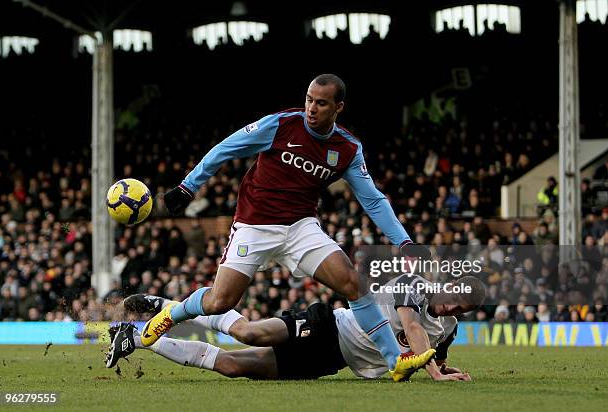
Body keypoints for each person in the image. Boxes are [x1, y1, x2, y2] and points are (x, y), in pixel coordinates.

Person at [145, 74, 432, 381]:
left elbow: (373, 200)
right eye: (309, 99)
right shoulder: (280, 125)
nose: (311, 108)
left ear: (339, 107)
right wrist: (188, 187)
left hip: (300, 227)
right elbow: (226, 148)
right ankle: (172, 314)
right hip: (254, 225)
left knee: (352, 283)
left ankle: (395, 362)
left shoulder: (347, 148)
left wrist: (405, 243)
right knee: (220, 301)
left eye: (321, 103)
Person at [107, 275, 484, 381]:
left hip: (331, 360)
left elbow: (432, 352)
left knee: (233, 366)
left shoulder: (448, 327)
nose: (452, 306)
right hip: (327, 327)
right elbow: (412, 329)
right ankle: (167, 306)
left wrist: (444, 368)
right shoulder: (414, 284)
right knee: (248, 332)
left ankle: (137, 339)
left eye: (461, 309)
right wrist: (434, 373)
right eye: (455, 297)